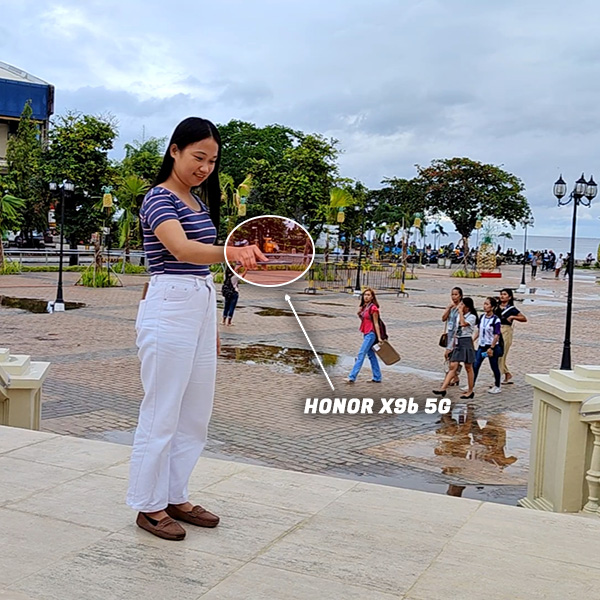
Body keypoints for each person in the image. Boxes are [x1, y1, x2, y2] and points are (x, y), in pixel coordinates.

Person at [127, 117, 267, 541]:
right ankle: (148, 505)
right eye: (197, 157)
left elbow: (199, 258)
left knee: (195, 413)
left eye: (212, 160)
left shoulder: (197, 202)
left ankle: (175, 495)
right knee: (162, 409)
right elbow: (182, 249)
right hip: (169, 303)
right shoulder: (158, 199)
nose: (205, 167)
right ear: (175, 151)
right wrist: (233, 252)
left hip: (198, 304)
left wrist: (211, 326)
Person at [433, 297, 478, 399]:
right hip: (458, 341)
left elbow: (463, 324)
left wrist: (461, 313)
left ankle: (470, 390)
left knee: (468, 367)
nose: (460, 307)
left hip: (466, 341)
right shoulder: (458, 315)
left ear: (467, 307)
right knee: (453, 365)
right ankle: (443, 388)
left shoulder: (472, 317)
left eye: (462, 305)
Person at [347, 287, 383, 383]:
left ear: (372, 297)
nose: (366, 297)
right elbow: (365, 321)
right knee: (371, 356)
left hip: (371, 334)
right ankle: (377, 377)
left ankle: (352, 377)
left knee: (361, 354)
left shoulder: (373, 308)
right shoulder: (364, 307)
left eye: (368, 295)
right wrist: (359, 314)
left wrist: (379, 338)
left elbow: (376, 323)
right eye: (365, 295)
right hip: (366, 333)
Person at [471, 297, 503, 394]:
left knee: (494, 366)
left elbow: (496, 335)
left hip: (491, 346)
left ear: (492, 307)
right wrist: (472, 340)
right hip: (482, 345)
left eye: (487, 304)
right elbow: (479, 330)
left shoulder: (496, 320)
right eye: (484, 304)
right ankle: (471, 385)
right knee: (475, 365)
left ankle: (497, 385)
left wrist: (492, 347)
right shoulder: (482, 317)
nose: (485, 306)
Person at [496, 288, 527, 385]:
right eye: (501, 294)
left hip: (506, 331)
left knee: (502, 354)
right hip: (496, 331)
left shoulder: (511, 309)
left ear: (509, 297)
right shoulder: (496, 307)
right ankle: (506, 373)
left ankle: (499, 377)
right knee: (496, 354)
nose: (502, 296)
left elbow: (524, 318)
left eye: (504, 294)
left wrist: (513, 317)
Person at [441, 287, 463, 386]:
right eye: (452, 294)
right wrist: (448, 309)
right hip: (449, 333)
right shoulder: (451, 307)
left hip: (457, 335)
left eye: (456, 294)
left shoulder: (461, 307)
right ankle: (455, 377)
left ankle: (449, 377)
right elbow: (443, 318)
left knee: (448, 355)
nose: (454, 297)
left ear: (460, 296)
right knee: (451, 357)